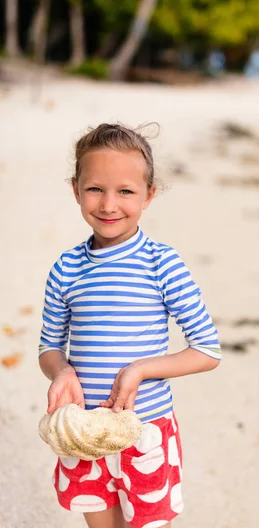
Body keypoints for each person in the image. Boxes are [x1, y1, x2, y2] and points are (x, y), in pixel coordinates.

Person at [38, 123, 221, 528]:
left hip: (146, 429)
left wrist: (141, 369)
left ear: (148, 195)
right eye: (95, 189)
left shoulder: (162, 264)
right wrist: (61, 371)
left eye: (125, 191)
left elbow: (207, 351)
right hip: (83, 428)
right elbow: (49, 347)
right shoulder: (67, 268)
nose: (108, 204)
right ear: (75, 189)